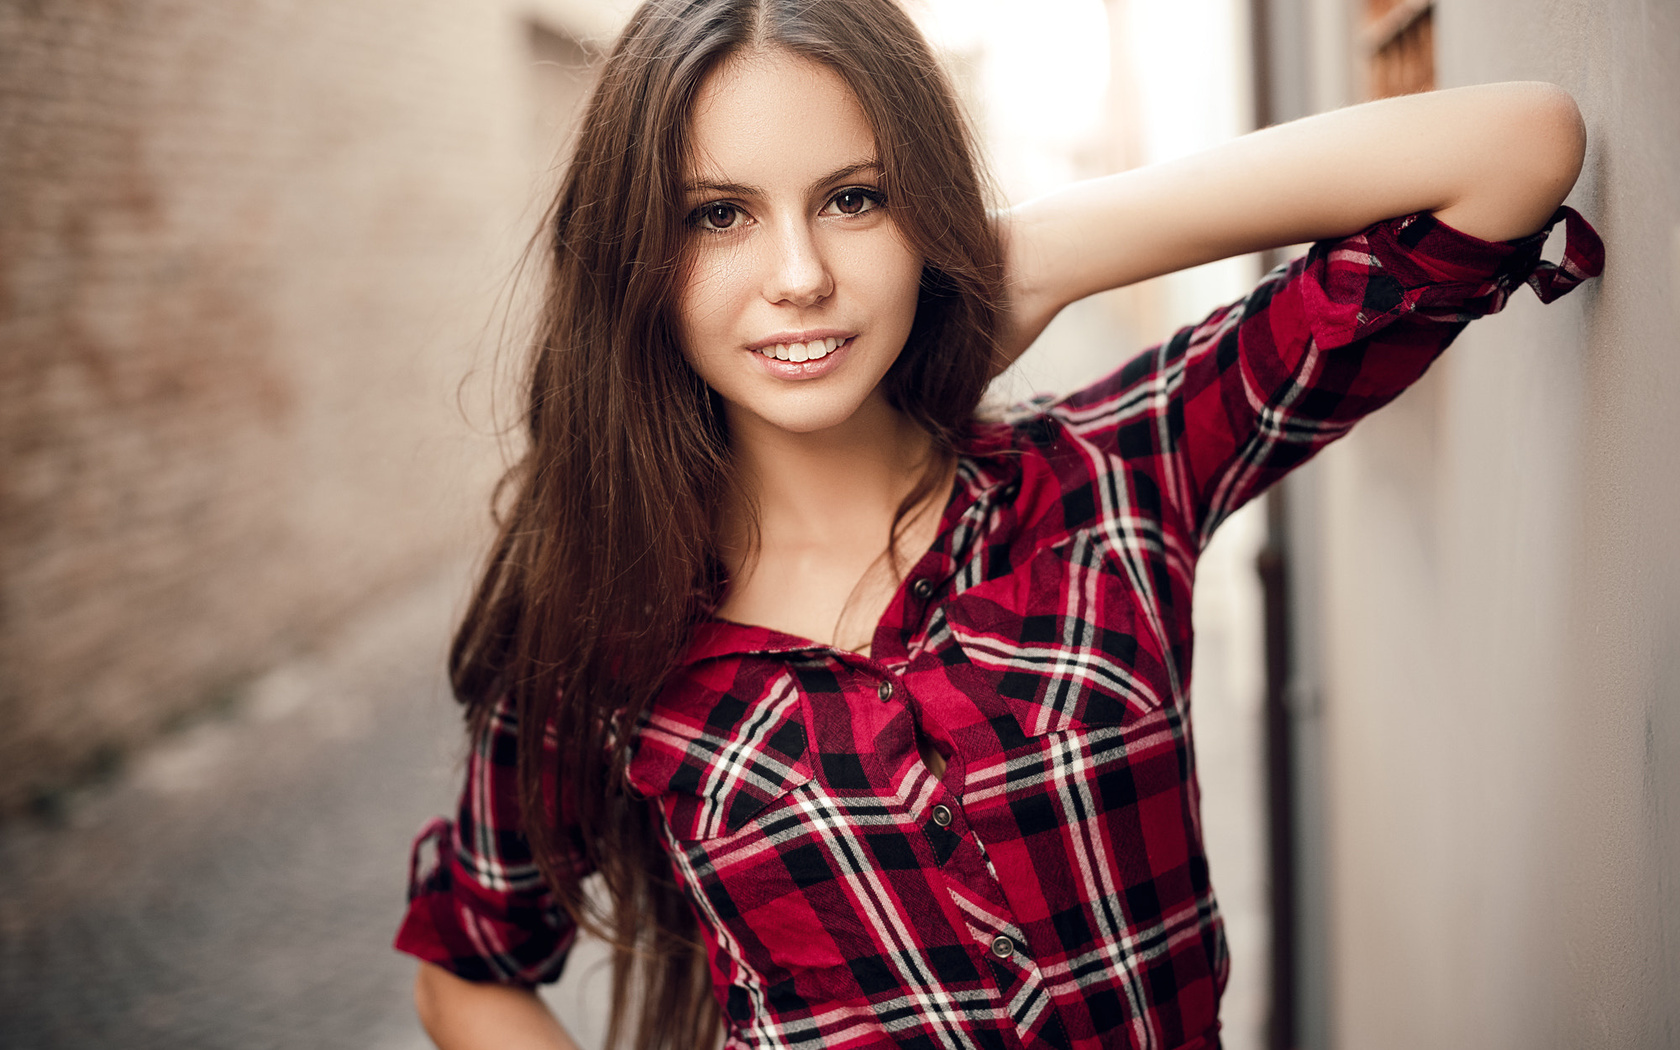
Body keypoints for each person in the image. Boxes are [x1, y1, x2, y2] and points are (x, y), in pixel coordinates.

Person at [393, 1, 1603, 1048]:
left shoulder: (1111, 477)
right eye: (719, 216)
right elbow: (465, 967)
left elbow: (1513, 148)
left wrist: (1036, 254)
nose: (800, 274)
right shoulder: (605, 620)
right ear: (634, 259)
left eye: (855, 199)